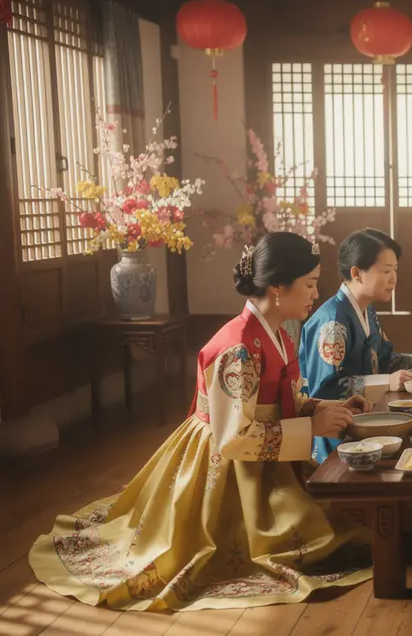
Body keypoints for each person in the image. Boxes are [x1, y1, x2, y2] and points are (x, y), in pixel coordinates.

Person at [28, 232, 374, 611]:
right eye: (309, 283)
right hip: (228, 467)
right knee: (320, 540)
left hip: (266, 461)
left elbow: (282, 401)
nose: (315, 292)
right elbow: (233, 438)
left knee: (341, 526)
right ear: (277, 285)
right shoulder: (238, 347)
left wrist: (324, 408)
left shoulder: (275, 333)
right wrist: (311, 428)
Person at [301, 228, 412, 464]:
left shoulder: (367, 310)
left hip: (368, 423)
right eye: (385, 270)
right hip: (338, 439)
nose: (393, 278)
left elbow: (386, 358)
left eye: (395, 270)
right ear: (357, 273)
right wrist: (386, 381)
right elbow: (325, 389)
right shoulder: (332, 321)